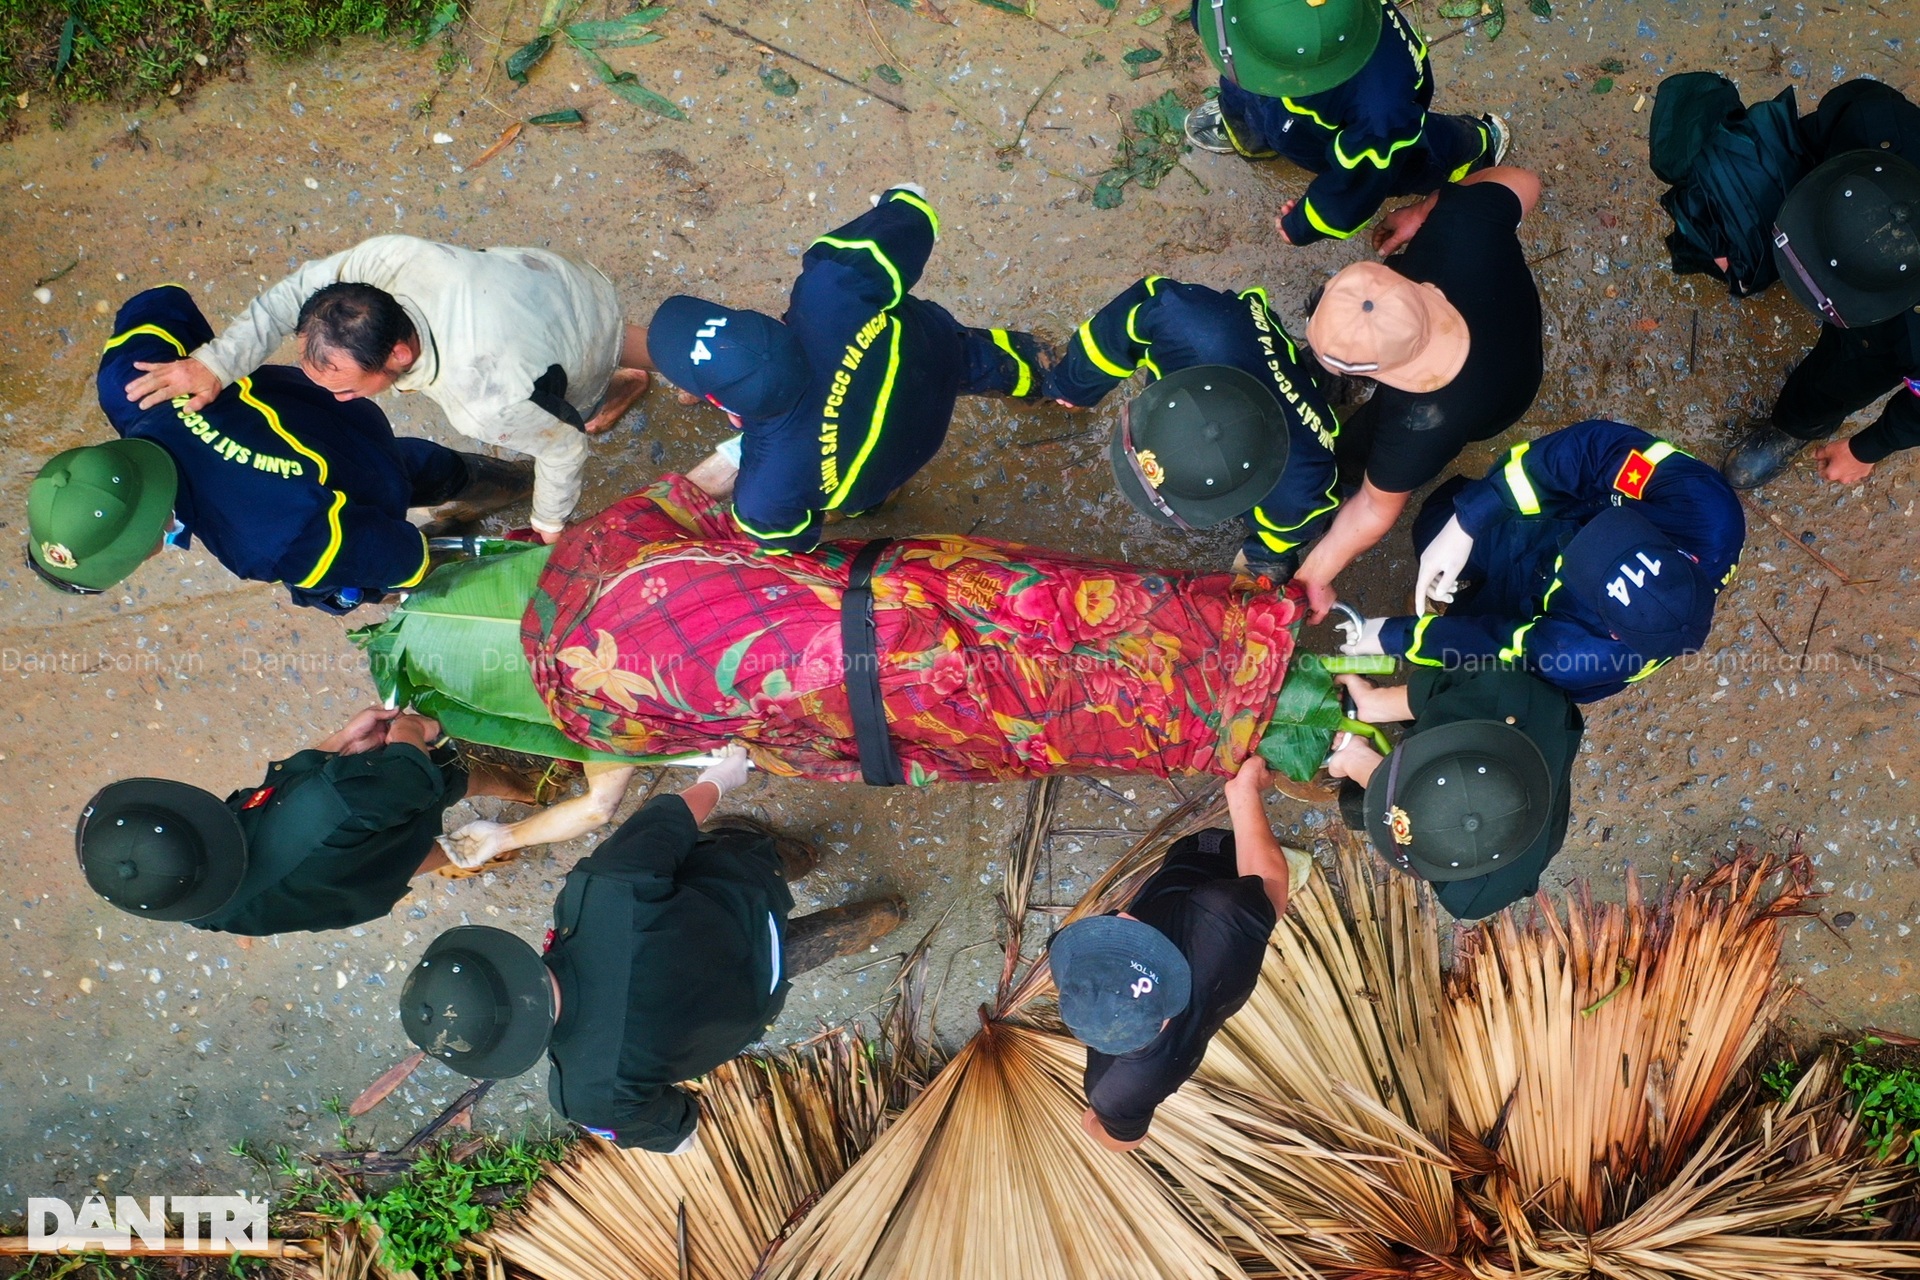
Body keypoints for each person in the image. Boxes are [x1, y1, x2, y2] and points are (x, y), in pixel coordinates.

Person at [396, 751, 906, 1152]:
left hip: (754, 997)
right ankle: (796, 855)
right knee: (738, 845)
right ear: (503, 964)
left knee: (795, 951)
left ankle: (879, 917)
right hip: (746, 891)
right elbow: (672, 821)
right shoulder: (599, 893)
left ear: (506, 1047)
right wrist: (721, 776)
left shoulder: (588, 1098)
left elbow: (679, 1133)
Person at [116, 235, 654, 543]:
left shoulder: (483, 401)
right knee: (623, 341)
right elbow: (289, 297)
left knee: (568, 414)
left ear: (398, 356)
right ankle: (669, 363)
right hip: (557, 280)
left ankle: (601, 397)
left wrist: (548, 525)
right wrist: (215, 363)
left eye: (347, 386)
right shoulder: (381, 265)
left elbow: (564, 451)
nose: (336, 397)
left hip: (571, 347)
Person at [26, 286, 525, 613]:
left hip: (357, 497)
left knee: (413, 549)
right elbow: (161, 302)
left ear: (146, 543)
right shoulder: (130, 382)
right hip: (343, 425)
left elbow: (393, 555)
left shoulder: (260, 542)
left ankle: (495, 542)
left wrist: (342, 588)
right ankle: (513, 483)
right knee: (421, 465)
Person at [646, 184, 1045, 552]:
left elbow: (788, 540)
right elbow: (914, 213)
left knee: (861, 493)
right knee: (987, 358)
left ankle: (884, 500)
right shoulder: (830, 286)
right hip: (935, 357)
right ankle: (1048, 378)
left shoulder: (765, 492)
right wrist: (897, 199)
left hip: (893, 463)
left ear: (732, 414)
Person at [1339, 420, 1745, 702]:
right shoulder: (1707, 510)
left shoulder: (1572, 654)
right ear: (1683, 558)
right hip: (1556, 518)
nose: (1585, 545)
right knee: (1434, 524)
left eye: (1585, 560)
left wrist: (1394, 636)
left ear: (1614, 635)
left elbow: (1493, 641)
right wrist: (1469, 521)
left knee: (1465, 656)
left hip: (1534, 609)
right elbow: (1597, 451)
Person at [1293, 166, 1546, 618]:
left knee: (1360, 450)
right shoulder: (1464, 223)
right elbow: (1524, 182)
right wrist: (1427, 209)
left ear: (1382, 374)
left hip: (1492, 404)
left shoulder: (1418, 423)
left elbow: (1375, 508)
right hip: (1513, 343)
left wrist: (1313, 574)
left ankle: (1344, 469)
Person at [74, 707, 534, 936]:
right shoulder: (332, 804)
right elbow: (410, 781)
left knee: (384, 866)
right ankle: (528, 786)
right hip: (349, 833)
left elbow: (281, 799)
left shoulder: (194, 903)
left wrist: (335, 744)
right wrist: (410, 733)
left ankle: (454, 855)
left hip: (334, 891)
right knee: (445, 780)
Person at [1057, 756, 1309, 1151]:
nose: (1121, 916)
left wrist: (1093, 1123)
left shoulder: (1117, 1090)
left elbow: (1123, 1141)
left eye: (1110, 942)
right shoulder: (1221, 931)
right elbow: (1270, 883)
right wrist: (1243, 792)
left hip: (1178, 868)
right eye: (1134, 946)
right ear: (1168, 990)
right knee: (1261, 887)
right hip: (1226, 871)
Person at [1046, 279, 1341, 580]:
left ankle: (1326, 374)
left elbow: (1290, 531)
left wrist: (1263, 558)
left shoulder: (1301, 489)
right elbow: (1131, 316)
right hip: (1244, 343)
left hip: (1289, 405)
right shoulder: (1189, 322)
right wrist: (1075, 383)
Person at [1183, 0, 1507, 246]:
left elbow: (1360, 181)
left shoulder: (1380, 106)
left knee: (1409, 157)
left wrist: (1308, 221)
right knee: (1246, 97)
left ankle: (1472, 148)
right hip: (1265, 62)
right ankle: (1250, 136)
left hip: (1361, 128)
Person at [1718, 113, 1920, 487]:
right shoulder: (1873, 123)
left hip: (1897, 334)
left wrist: (1868, 448)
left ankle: (1795, 423)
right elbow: (1790, 148)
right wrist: (1730, 227)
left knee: (1844, 371)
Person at [1325, 666, 1580, 920]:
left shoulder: (1473, 895)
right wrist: (1376, 702)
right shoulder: (1522, 698)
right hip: (1513, 731)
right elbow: (1449, 688)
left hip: (1511, 753)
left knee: (1359, 807)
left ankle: (1361, 759)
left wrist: (1355, 759)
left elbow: (1398, 809)